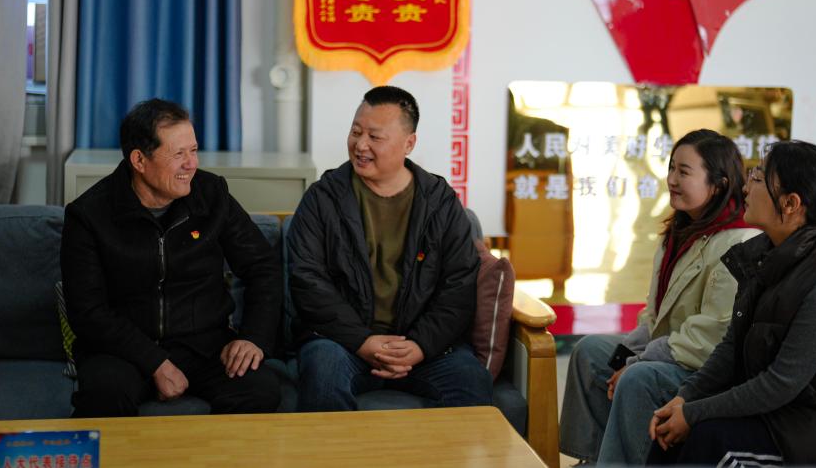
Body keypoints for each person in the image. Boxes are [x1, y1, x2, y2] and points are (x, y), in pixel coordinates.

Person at [648, 140, 816, 465]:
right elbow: (732, 347)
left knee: (708, 437)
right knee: (669, 435)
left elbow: (781, 383)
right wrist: (685, 398)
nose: (746, 186)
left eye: (758, 178)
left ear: (790, 204)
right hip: (799, 411)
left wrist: (694, 414)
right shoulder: (765, 253)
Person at [61, 99, 282, 417]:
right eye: (179, 154)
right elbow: (87, 311)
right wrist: (155, 362)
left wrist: (253, 338)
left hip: (205, 345)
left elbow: (263, 267)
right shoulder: (89, 215)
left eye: (194, 150)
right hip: (123, 350)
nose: (192, 164)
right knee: (104, 396)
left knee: (260, 391)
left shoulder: (212, 195)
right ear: (139, 160)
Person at [288, 85, 493, 411]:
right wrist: (362, 341)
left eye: (375, 136)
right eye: (356, 132)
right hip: (343, 343)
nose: (360, 145)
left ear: (409, 143)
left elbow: (459, 284)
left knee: (471, 381)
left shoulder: (440, 203)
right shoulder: (322, 198)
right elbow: (307, 280)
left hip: (423, 349)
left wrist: (420, 346)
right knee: (323, 371)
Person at [560, 129, 758, 465]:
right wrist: (628, 353)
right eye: (671, 168)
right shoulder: (680, 232)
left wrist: (636, 362)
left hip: (702, 368)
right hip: (669, 351)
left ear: (719, 184)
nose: (672, 180)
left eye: (684, 171)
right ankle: (591, 459)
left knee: (636, 378)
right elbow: (653, 315)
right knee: (591, 352)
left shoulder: (738, 242)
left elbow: (710, 338)